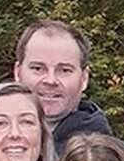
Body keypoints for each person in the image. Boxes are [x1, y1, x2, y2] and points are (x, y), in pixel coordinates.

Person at [14, 17, 112, 146]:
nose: (50, 80)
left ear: (84, 78)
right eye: (38, 68)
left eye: (64, 70)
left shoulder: (118, 159)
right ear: (17, 73)